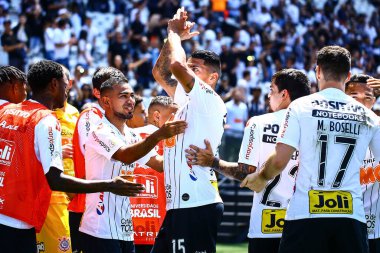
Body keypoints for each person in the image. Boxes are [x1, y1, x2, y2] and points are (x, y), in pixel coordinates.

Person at [241, 46, 380, 253]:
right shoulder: (369, 116)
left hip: (305, 215)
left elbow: (280, 160)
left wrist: (261, 177)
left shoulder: (301, 106)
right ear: (348, 75)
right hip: (350, 217)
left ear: (317, 72)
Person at [0, 60, 145, 253]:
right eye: (64, 83)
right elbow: (55, 180)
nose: (68, 89)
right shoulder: (46, 120)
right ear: (53, 84)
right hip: (18, 221)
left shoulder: (5, 111)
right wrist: (110, 185)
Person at [185, 69, 311, 253]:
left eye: (272, 90)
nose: (268, 96)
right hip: (306, 222)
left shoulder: (259, 123)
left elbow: (245, 172)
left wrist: (213, 162)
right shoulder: (313, 124)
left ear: (284, 94)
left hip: (266, 226)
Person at [78, 77, 187, 253]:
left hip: (125, 232)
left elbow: (159, 164)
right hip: (99, 230)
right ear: (106, 101)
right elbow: (125, 156)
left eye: (131, 95)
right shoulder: (100, 132)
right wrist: (159, 134)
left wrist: (188, 152)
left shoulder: (131, 135)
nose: (130, 100)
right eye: (123, 96)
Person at [151, 7, 226, 253]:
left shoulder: (208, 98)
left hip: (197, 204)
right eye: (190, 66)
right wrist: (174, 40)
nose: (189, 71)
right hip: (180, 206)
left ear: (212, 78)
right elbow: (160, 72)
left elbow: (175, 65)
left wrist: (173, 32)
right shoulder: (186, 99)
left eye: (196, 69)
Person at [68, 66, 126, 253]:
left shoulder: (113, 120)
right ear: (97, 93)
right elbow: (93, 153)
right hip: (87, 205)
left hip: (110, 203)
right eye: (110, 87)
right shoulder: (90, 116)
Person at [36, 67, 79, 253]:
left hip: (77, 191)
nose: (66, 86)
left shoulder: (75, 113)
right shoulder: (41, 114)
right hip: (53, 191)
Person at [130, 96, 178, 253]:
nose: (177, 120)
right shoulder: (173, 141)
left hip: (127, 226)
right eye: (173, 115)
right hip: (160, 226)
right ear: (157, 115)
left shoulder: (127, 136)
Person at [345, 74, 380, 253]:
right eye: (354, 97)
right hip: (337, 223)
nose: (361, 103)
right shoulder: (328, 129)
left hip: (373, 228)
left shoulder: (378, 129)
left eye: (368, 97)